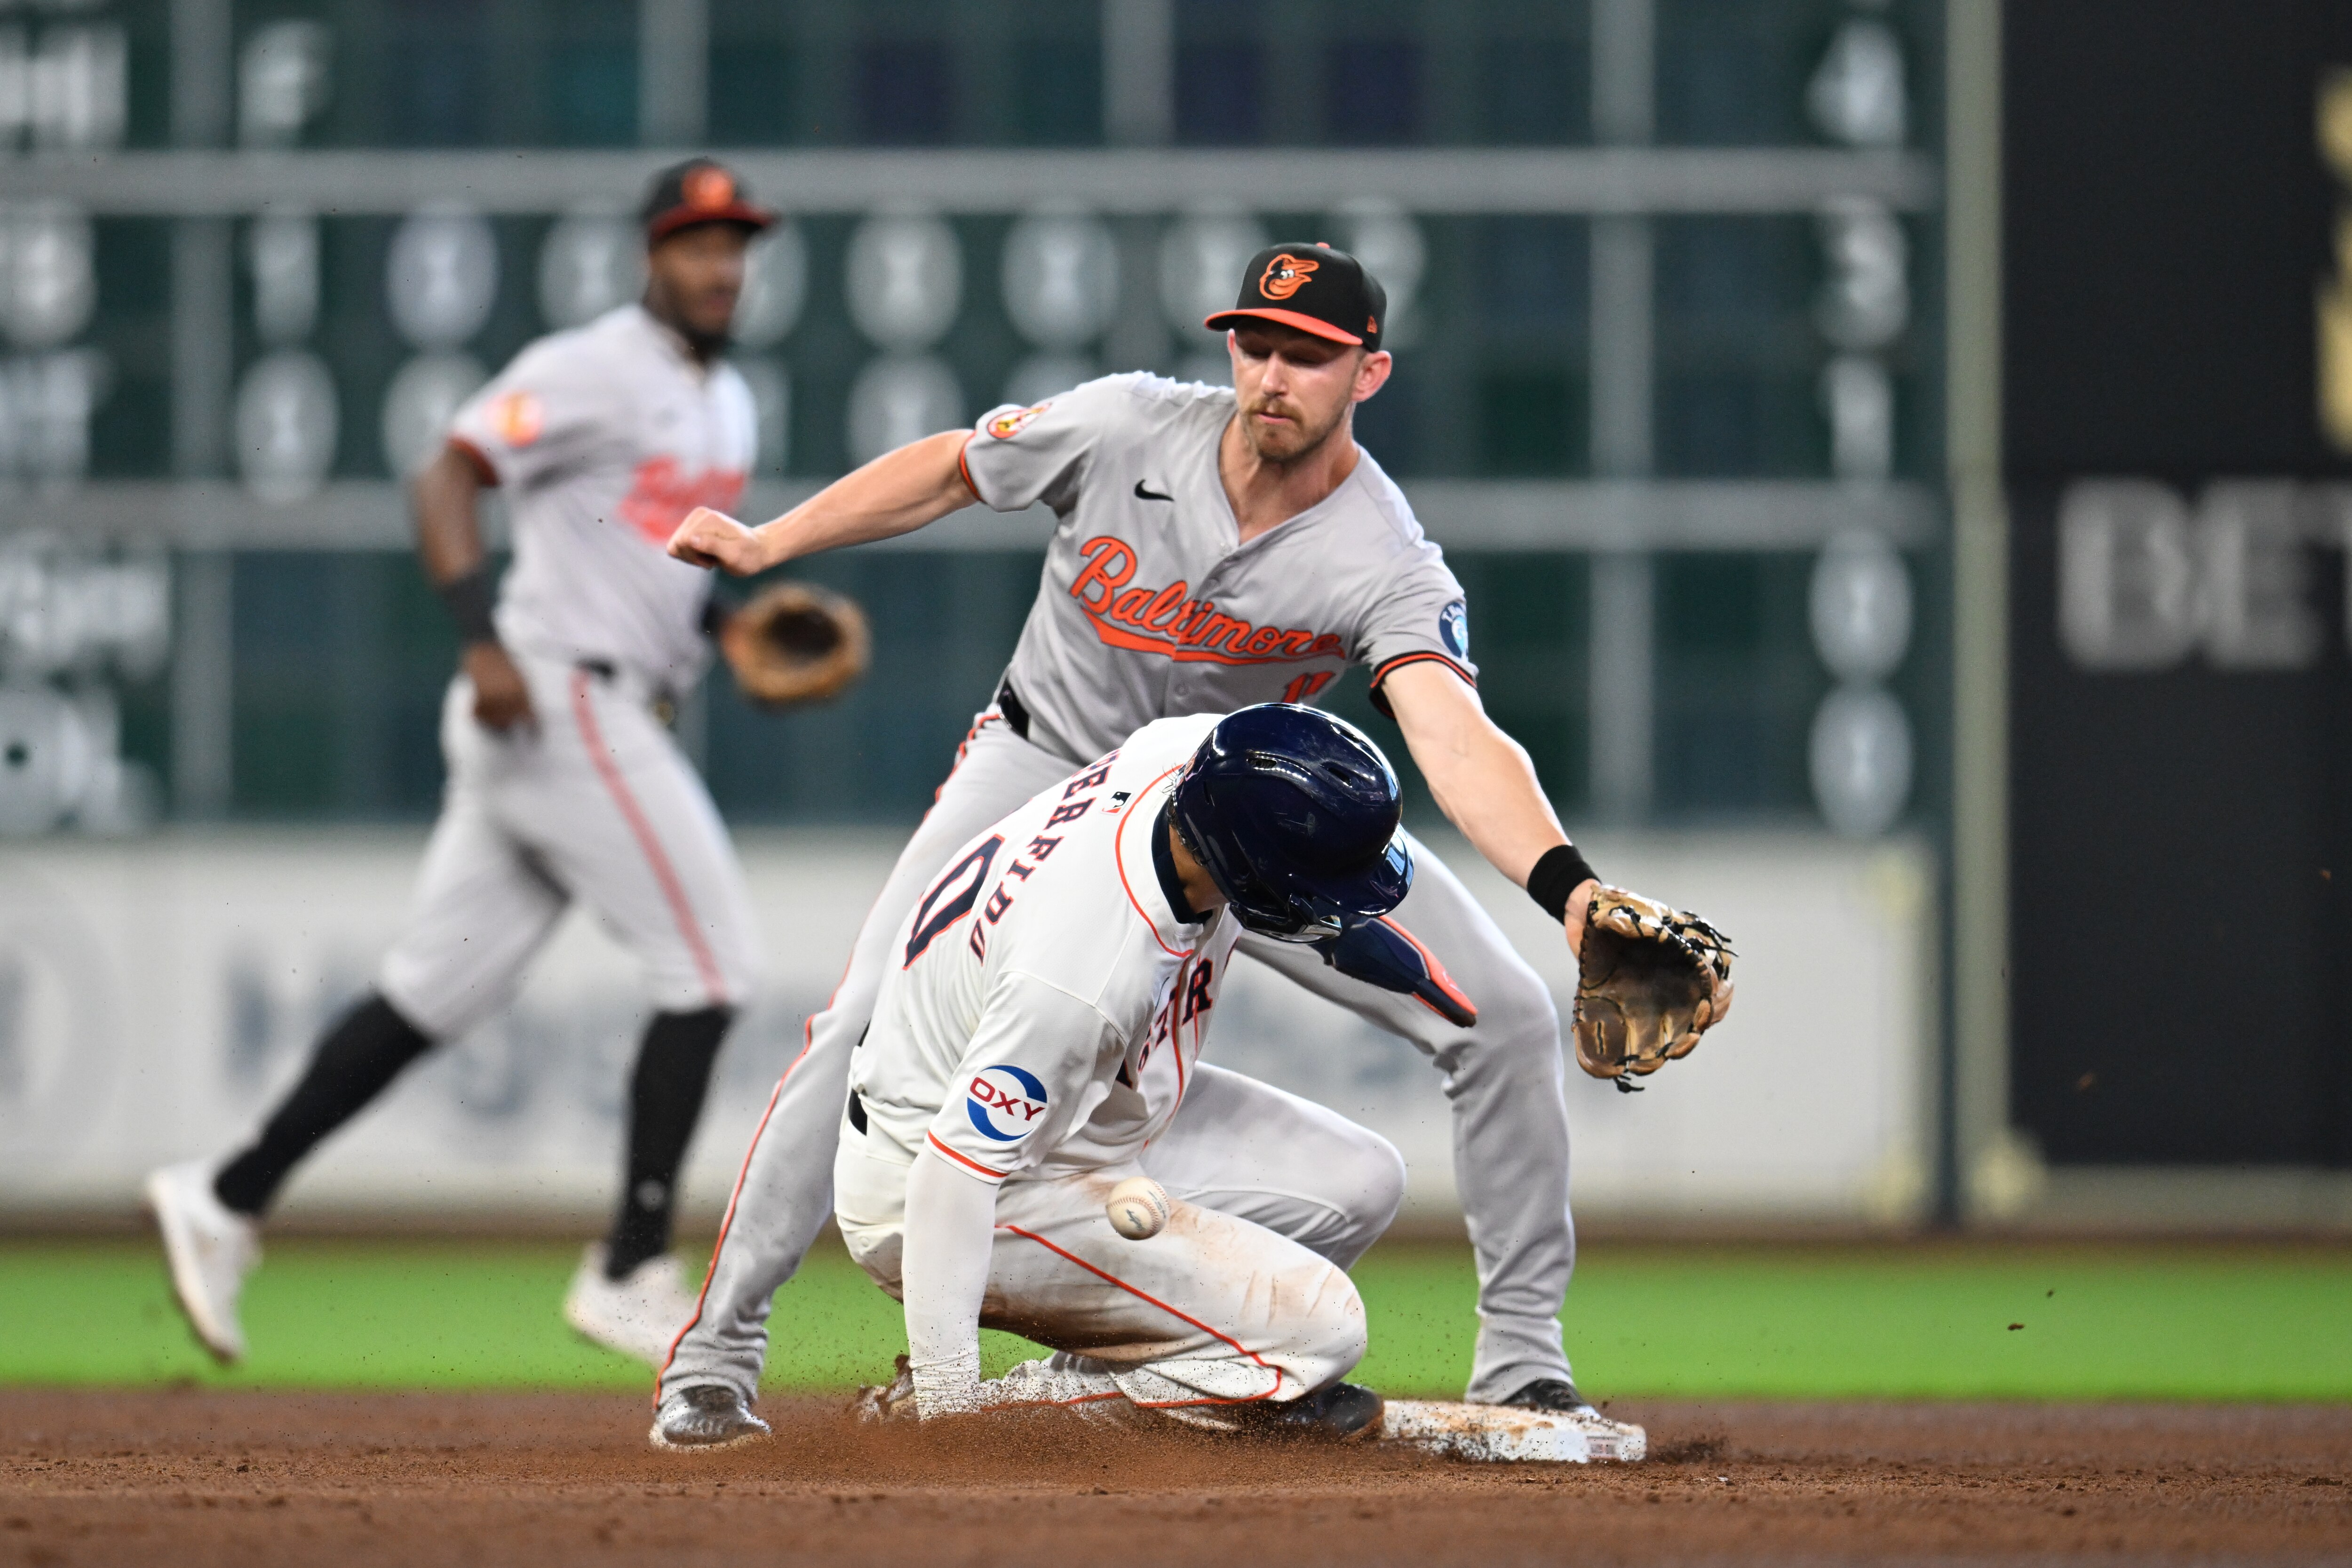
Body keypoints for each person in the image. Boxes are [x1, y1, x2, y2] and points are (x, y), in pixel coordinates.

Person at [653, 242, 1629, 1446]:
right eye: (1255, 345)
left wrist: (1571, 893)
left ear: (1368, 371)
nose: (1272, 374)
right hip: (1042, 768)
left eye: (1308, 357)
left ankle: (1523, 1359)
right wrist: (769, 542)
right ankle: (715, 1354)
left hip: (1230, 825)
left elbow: (1453, 734)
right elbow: (955, 468)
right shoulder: (1125, 425)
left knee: (1512, 1021)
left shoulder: (1380, 555)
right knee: (859, 1019)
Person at [145, 158, 777, 1367]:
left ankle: (225, 1193)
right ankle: (630, 1262)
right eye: (697, 241)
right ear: (652, 250)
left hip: (590, 694)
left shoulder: (728, 400)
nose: (720, 263)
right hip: (552, 692)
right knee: (708, 966)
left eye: (735, 241)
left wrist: (731, 632)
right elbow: (448, 469)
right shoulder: (592, 365)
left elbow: (648, 561)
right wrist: (478, 636)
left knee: (432, 990)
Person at [664, 705, 1417, 1447]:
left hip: (1079, 1115)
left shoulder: (1188, 754)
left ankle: (1162, 1358)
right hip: (936, 1189)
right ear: (1244, 864)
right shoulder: (1084, 974)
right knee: (1321, 1333)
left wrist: (1337, 934)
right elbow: (953, 1173)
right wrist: (947, 1402)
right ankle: (1007, 1409)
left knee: (1363, 1179)